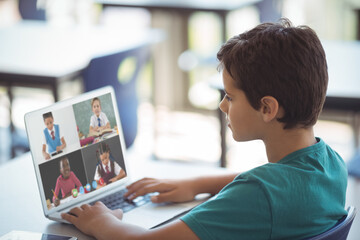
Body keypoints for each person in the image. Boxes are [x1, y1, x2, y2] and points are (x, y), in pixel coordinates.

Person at [62, 18, 348, 239]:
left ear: (267, 108)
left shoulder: (257, 197)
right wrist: (196, 184)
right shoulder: (330, 164)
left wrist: (101, 223)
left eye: (231, 97)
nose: (223, 106)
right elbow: (270, 183)